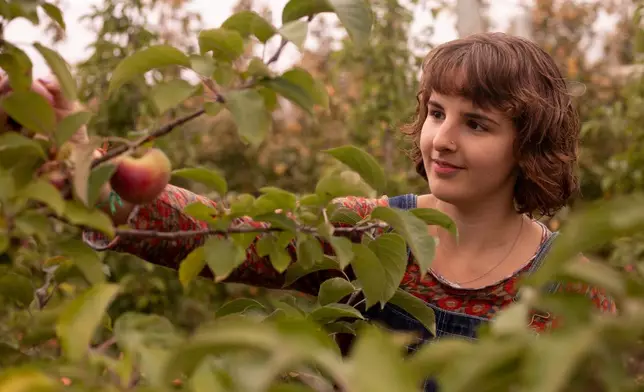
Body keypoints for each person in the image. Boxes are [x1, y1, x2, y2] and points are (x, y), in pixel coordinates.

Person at [3, 31, 615, 382]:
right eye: (435, 112)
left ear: (528, 146)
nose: (442, 139)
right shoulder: (376, 231)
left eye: (476, 123)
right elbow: (226, 233)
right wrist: (80, 162)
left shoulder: (568, 285)